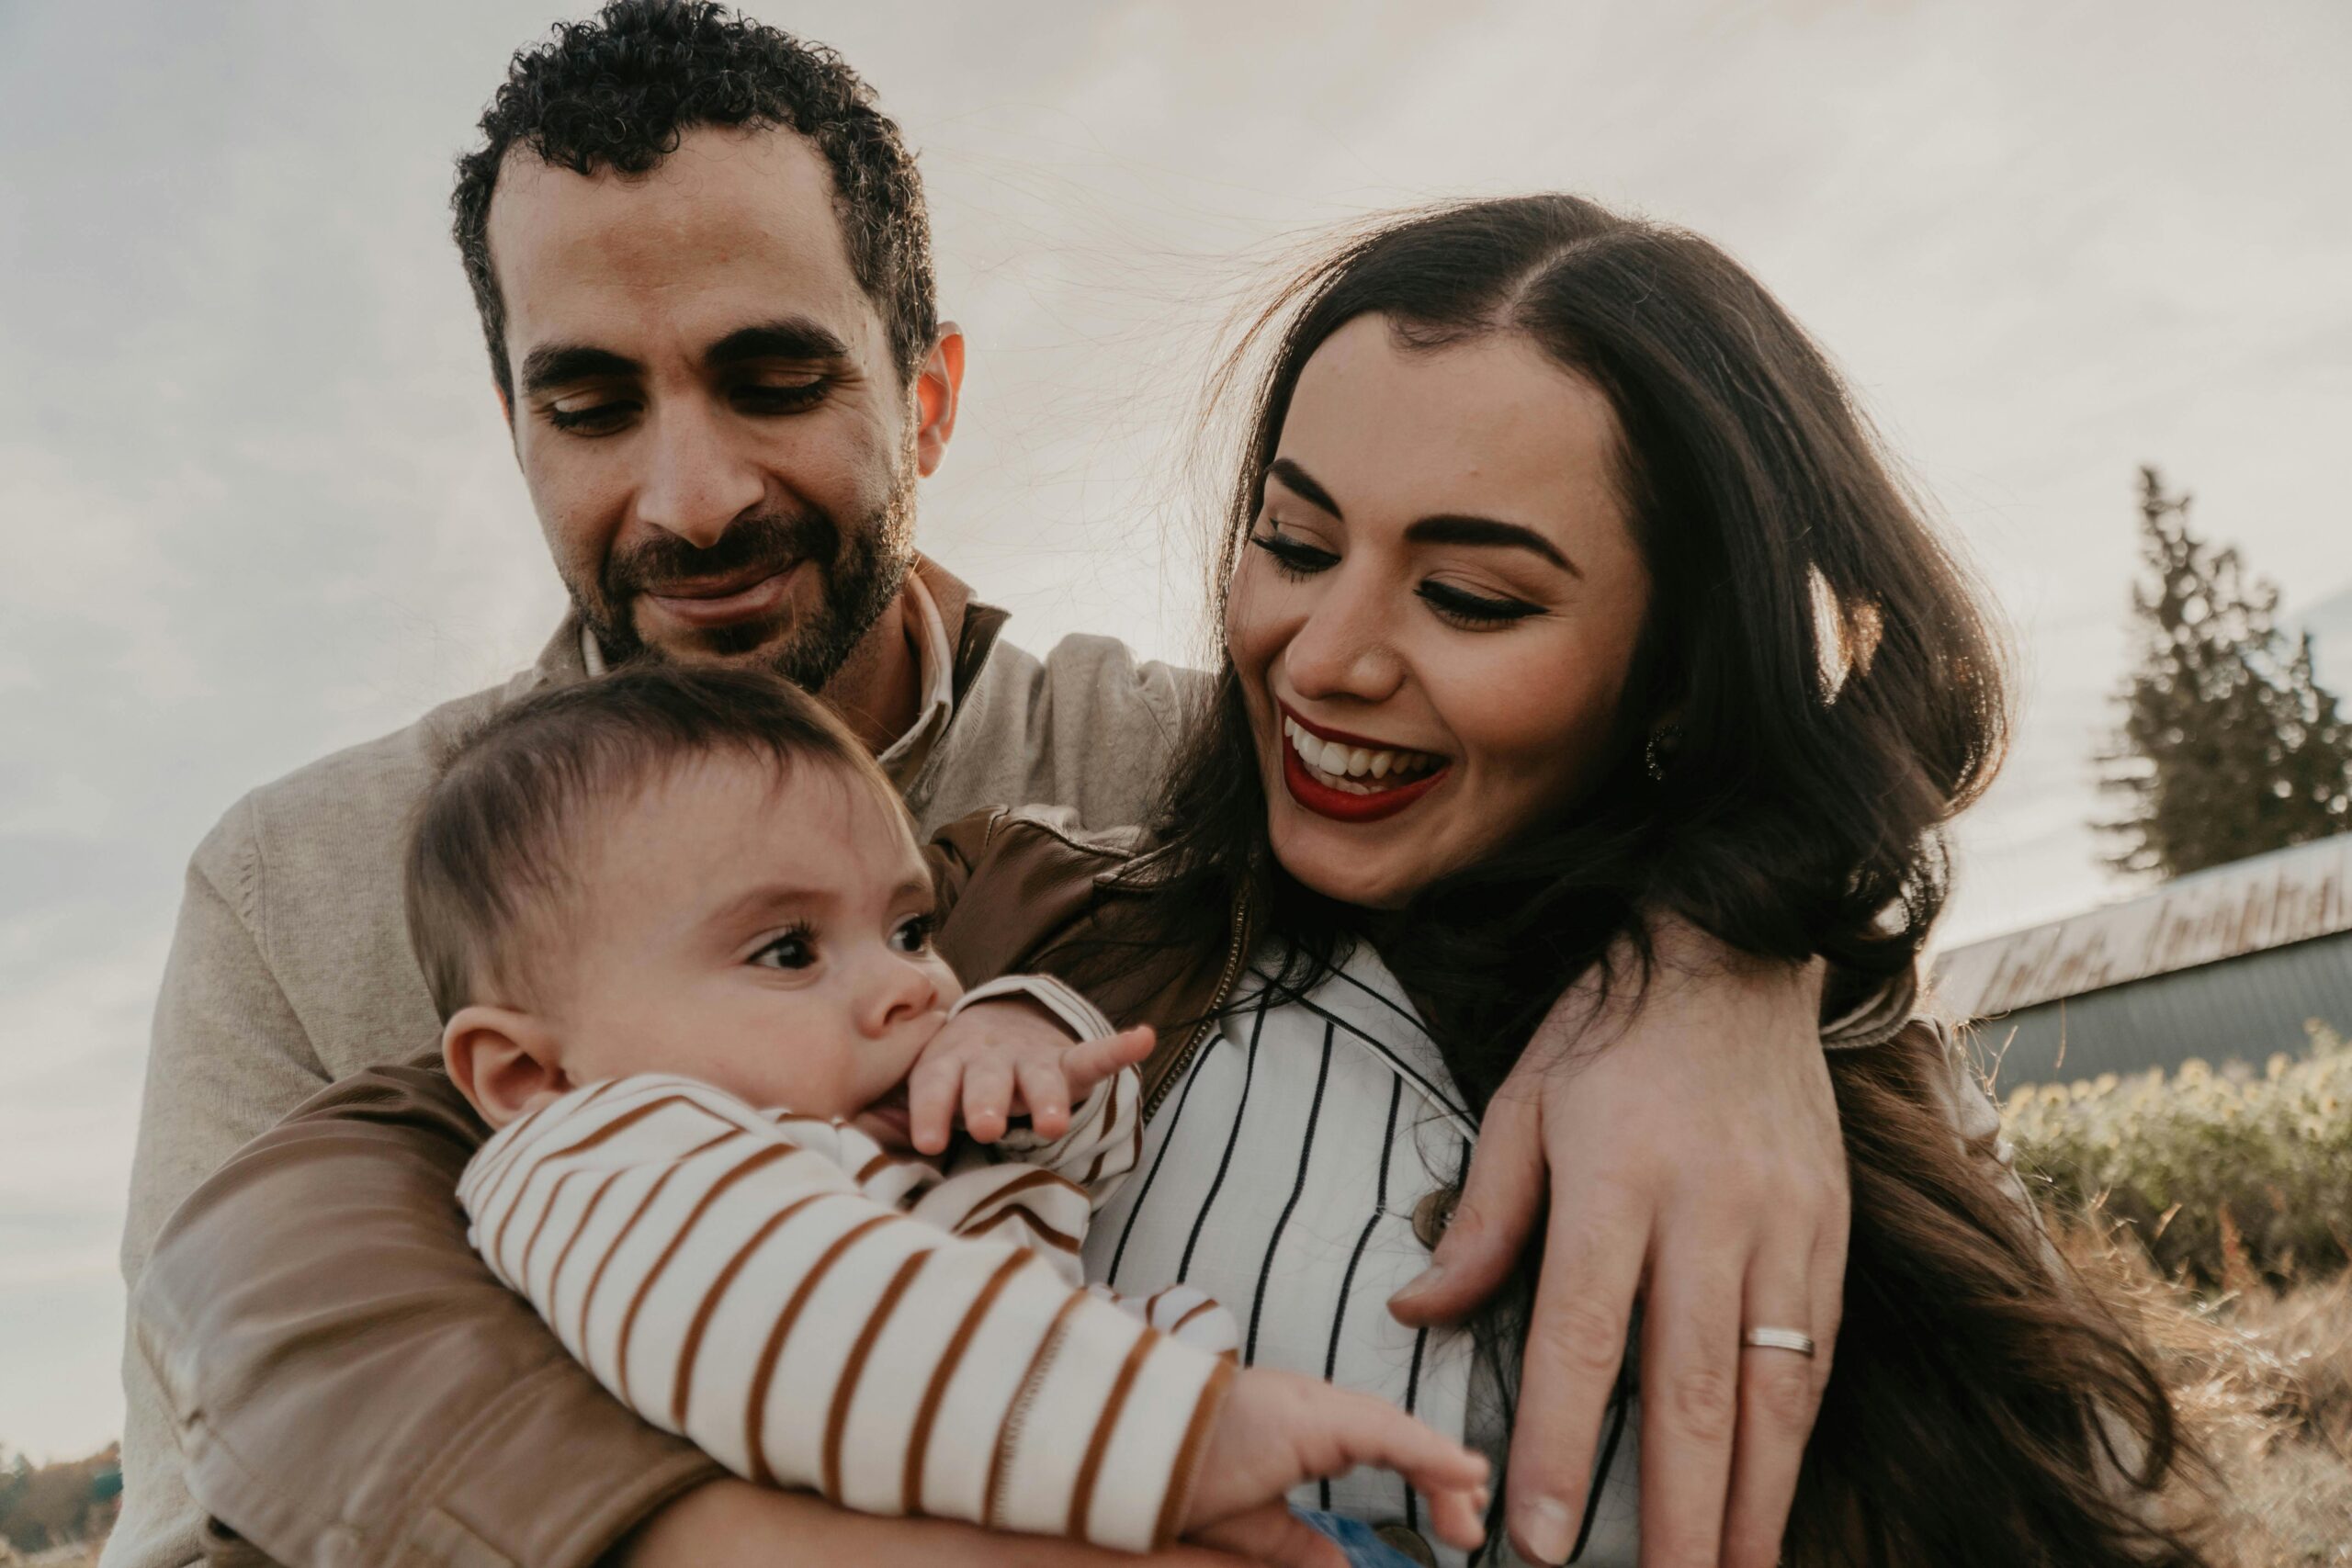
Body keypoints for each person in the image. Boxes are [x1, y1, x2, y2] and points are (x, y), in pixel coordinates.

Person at [131, 190, 2214, 1568]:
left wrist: (1717, 945)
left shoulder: (1800, 1057)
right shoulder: (1086, 889)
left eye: (1471, 588)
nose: (1319, 652)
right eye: (1289, 543)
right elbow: (346, 1201)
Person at [417, 665, 1490, 1565]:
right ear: (526, 1075)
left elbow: (1073, 1158)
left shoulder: (869, 1117)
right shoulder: (595, 1156)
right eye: (788, 951)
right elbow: (797, 1317)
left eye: (910, 928)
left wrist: (1025, 1046)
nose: (917, 988)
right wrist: (1188, 1433)